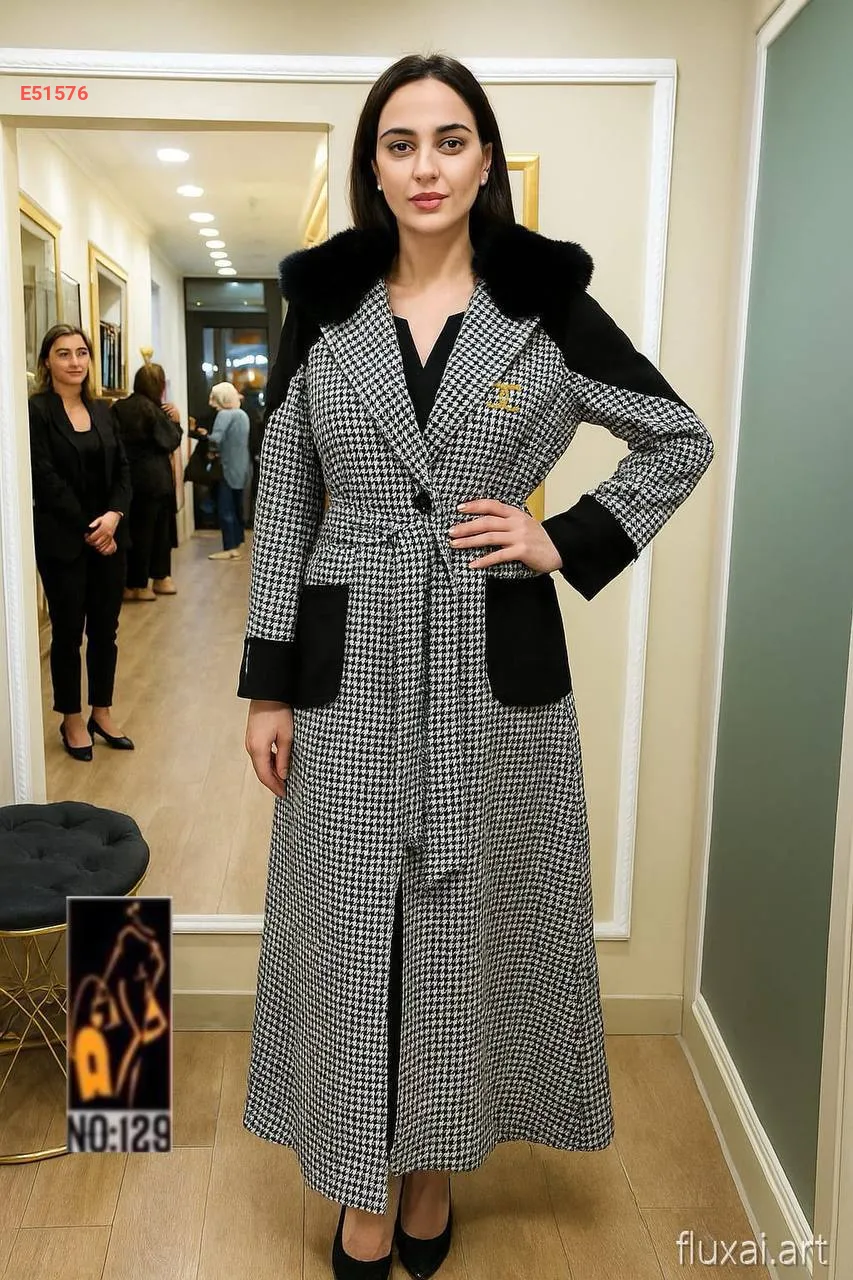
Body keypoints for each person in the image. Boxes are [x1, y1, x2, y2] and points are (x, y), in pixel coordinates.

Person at [238, 53, 715, 1280]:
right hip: (349, 653)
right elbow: (285, 495)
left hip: (489, 656)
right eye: (400, 144)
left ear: (484, 159)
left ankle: (434, 1165)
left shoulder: (544, 302)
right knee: (358, 918)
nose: (426, 167)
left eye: (449, 141)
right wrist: (268, 681)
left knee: (461, 919)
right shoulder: (324, 304)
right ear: (373, 166)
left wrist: (564, 537)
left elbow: (675, 436)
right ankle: (359, 1177)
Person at [28, 324, 134, 761]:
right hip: (64, 541)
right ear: (47, 362)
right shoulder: (36, 411)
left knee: (105, 631)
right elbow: (45, 477)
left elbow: (123, 469)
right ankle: (71, 718)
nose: (75, 361)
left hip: (110, 537)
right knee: (68, 632)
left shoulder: (104, 410)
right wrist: (91, 529)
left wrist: (114, 516)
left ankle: (101, 713)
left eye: (81, 353)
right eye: (63, 353)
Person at [111, 360, 183, 601]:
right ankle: (152, 581)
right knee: (158, 535)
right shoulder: (156, 411)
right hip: (156, 481)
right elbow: (170, 441)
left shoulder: (118, 408)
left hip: (128, 479)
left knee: (134, 533)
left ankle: (132, 583)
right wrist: (176, 422)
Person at [197, 382, 251, 560]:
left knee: (225, 508)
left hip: (226, 467)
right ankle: (239, 541)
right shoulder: (242, 415)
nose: (211, 403)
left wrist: (203, 436)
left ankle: (230, 547)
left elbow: (215, 440)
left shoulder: (224, 415)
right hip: (242, 467)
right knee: (237, 507)